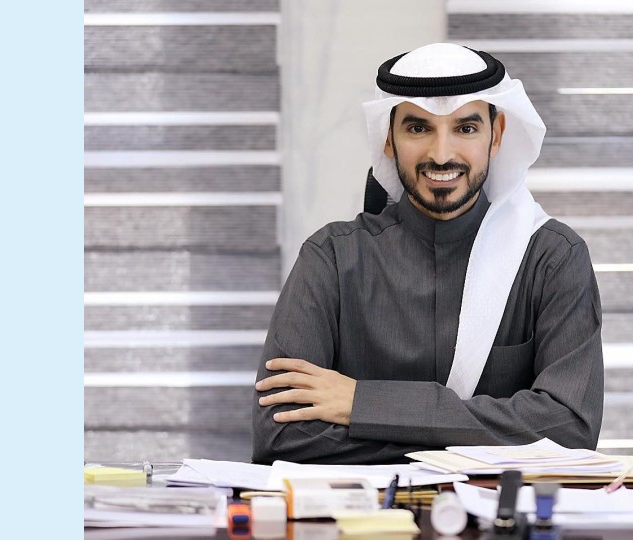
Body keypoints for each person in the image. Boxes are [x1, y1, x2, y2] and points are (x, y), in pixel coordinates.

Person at [252, 43, 603, 464]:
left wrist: (363, 404)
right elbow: (281, 435)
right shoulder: (331, 259)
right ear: (388, 139)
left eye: (465, 128)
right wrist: (492, 433)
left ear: (497, 135)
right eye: (418, 128)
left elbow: (568, 429)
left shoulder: (552, 259)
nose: (441, 154)